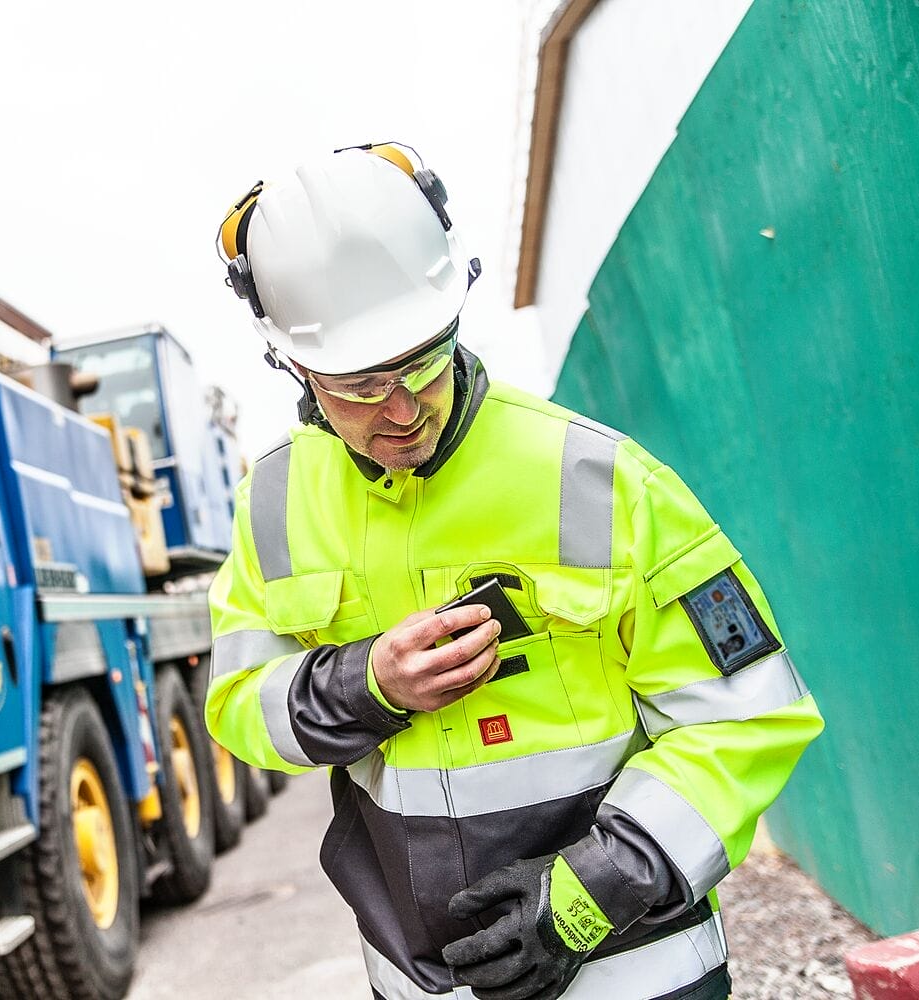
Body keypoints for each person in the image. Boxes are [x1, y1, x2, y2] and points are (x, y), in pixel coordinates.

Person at [205, 144, 823, 1000]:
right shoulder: (271, 506)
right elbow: (237, 707)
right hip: (423, 982)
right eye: (360, 384)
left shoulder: (598, 479)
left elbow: (749, 717)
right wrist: (364, 684)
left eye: (423, 359)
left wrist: (590, 895)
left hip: (635, 974)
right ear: (297, 368)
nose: (403, 408)